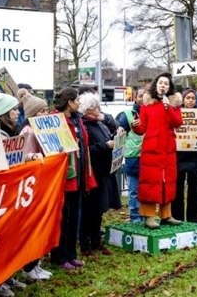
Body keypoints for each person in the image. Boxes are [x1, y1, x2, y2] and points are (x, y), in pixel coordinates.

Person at [50, 87, 96, 271]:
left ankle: (71, 254)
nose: (79, 103)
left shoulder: (77, 120)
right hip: (65, 179)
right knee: (64, 219)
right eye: (77, 100)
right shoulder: (55, 120)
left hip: (78, 177)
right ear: (69, 102)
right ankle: (59, 257)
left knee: (73, 219)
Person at [132, 72, 183, 230]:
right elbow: (142, 129)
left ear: (169, 87)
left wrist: (168, 107)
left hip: (168, 149)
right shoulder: (147, 105)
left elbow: (178, 123)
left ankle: (166, 215)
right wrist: (135, 125)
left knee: (167, 181)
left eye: (166, 84)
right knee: (150, 182)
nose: (163, 86)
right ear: (156, 85)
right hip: (151, 149)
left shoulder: (173, 105)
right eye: (161, 83)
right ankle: (149, 217)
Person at [0, 93, 28, 294]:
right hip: (0, 193)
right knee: (1, 239)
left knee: (11, 238)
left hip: (12, 190)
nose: (17, 112)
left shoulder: (13, 130)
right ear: (5, 112)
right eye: (14, 109)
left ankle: (9, 276)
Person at [79, 92, 119, 257]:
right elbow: (86, 151)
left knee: (99, 209)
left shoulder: (99, 123)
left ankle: (96, 241)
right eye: (95, 107)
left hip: (104, 171)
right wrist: (106, 145)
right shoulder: (84, 125)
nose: (99, 109)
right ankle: (85, 244)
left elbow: (114, 128)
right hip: (93, 172)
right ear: (88, 110)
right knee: (90, 210)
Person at [17, 94, 52, 281]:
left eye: (47, 109)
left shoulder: (41, 131)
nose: (46, 113)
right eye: (42, 111)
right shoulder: (28, 133)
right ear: (32, 114)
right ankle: (29, 266)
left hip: (42, 183)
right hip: (34, 185)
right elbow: (25, 157)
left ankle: (36, 264)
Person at [172, 87, 197, 223]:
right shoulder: (176, 113)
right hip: (179, 157)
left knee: (194, 191)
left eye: (193, 98)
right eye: (188, 98)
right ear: (183, 99)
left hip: (195, 158)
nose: (191, 101)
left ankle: (193, 220)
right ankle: (177, 218)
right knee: (177, 190)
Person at [115, 88, 145, 224]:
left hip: (148, 158)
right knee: (133, 190)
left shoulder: (150, 113)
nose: (142, 98)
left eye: (145, 96)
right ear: (135, 97)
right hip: (133, 158)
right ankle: (135, 216)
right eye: (140, 95)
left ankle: (145, 215)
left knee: (146, 189)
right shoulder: (127, 115)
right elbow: (120, 134)